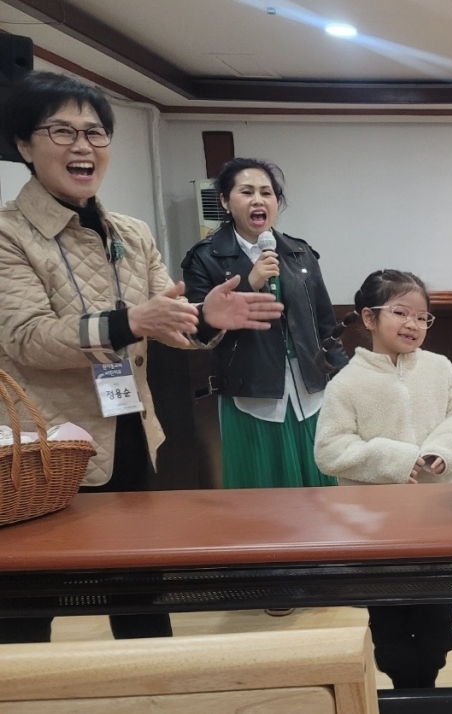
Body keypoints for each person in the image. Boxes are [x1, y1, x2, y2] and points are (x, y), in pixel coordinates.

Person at [0, 71, 282, 644]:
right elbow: (26, 337)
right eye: (62, 131)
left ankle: (156, 683)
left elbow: (167, 318)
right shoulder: (8, 234)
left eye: (95, 132)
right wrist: (132, 321)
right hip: (46, 449)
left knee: (140, 590)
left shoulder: (130, 232)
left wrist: (207, 316)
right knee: (29, 605)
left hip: (132, 431)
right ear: (25, 145)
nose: (82, 146)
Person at [314, 269, 452, 689]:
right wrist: (399, 459)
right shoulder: (347, 382)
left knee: (436, 622)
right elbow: (329, 450)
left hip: (438, 521)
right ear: (369, 318)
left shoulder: (439, 368)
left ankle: (426, 682)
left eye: (422, 317)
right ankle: (407, 689)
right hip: (376, 530)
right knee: (391, 630)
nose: (413, 324)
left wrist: (441, 451)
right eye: (401, 313)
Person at [182, 158, 347, 490]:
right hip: (251, 391)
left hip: (309, 390)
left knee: (319, 492)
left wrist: (345, 376)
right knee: (261, 492)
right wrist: (250, 282)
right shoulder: (204, 257)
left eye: (266, 193)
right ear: (225, 201)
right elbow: (196, 330)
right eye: (246, 192)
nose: (258, 200)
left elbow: (325, 325)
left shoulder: (300, 253)